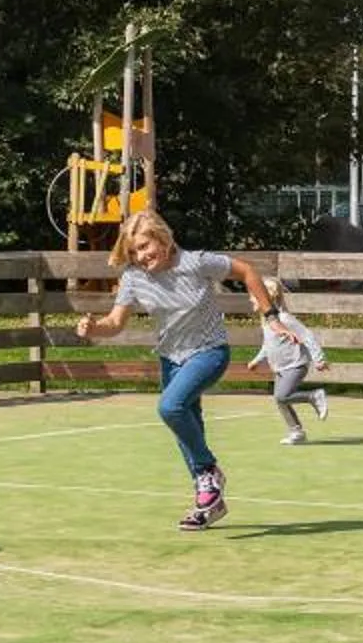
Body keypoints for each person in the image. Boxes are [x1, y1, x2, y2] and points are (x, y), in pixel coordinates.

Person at [74, 208, 285, 530]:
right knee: (188, 428)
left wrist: (271, 316)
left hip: (209, 353)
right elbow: (115, 323)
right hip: (171, 359)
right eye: (134, 252)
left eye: (145, 247)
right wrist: (93, 329)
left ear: (163, 238)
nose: (142, 256)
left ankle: (208, 472)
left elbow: (246, 271)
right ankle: (208, 504)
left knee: (170, 407)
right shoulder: (133, 278)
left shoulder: (196, 262)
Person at [245, 276, 330, 444]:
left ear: (266, 297)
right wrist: (257, 360)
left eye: (254, 295)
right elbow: (268, 345)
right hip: (280, 368)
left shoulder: (284, 319)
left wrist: (319, 359)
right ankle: (296, 432)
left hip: (295, 365)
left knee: (282, 396)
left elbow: (308, 336)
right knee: (280, 399)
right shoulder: (267, 322)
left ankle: (314, 396)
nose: (250, 298)